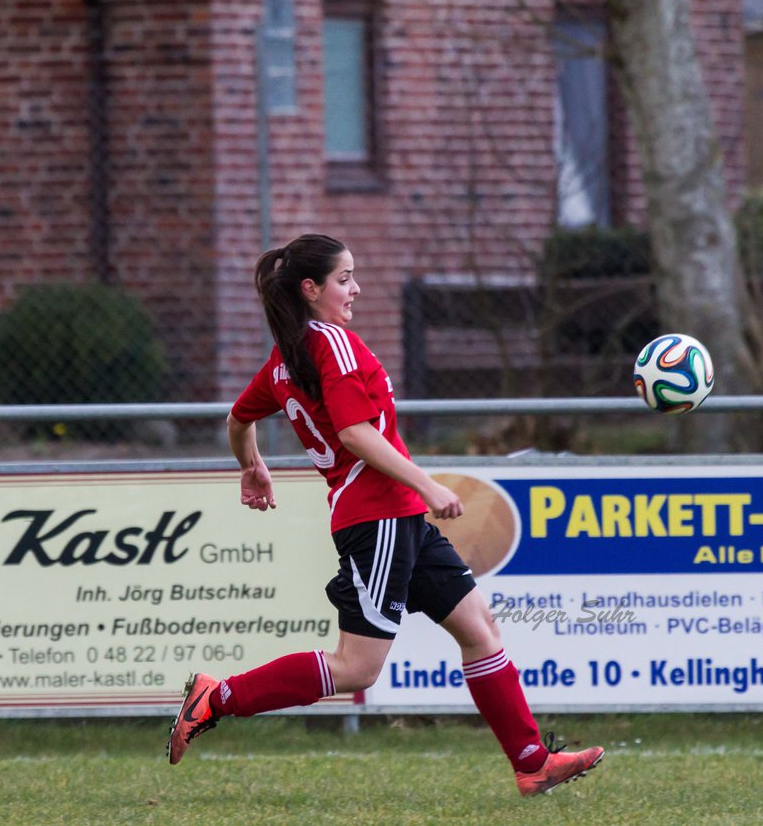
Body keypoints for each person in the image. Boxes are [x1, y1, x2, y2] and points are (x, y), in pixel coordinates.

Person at [165, 233, 603, 796]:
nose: (356, 289)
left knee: (478, 628)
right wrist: (428, 484)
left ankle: (531, 761)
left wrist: (252, 464)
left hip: (398, 517)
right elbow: (354, 432)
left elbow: (237, 418)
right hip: (379, 520)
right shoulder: (332, 345)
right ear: (310, 288)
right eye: (344, 279)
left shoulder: (287, 358)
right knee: (357, 668)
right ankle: (216, 697)